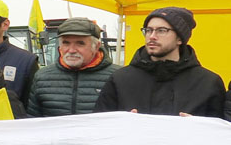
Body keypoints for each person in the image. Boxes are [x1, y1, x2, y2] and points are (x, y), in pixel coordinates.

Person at [93, 7, 225, 117]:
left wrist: (199, 127)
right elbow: (100, 128)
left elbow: (221, 134)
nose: (152, 36)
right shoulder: (120, 79)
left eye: (161, 31)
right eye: (148, 30)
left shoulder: (208, 82)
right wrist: (121, 123)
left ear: (180, 39)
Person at [26, 17, 120, 117]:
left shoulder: (118, 77)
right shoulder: (42, 77)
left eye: (80, 43)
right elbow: (33, 121)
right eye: (66, 43)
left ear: (96, 46)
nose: (71, 50)